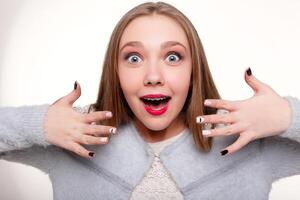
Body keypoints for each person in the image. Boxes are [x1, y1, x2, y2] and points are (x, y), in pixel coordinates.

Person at [0, 2, 300, 199]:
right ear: (114, 70)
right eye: (133, 57)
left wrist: (288, 116)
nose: (153, 75)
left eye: (173, 57)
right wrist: (39, 124)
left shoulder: (249, 139)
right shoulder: (75, 133)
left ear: (193, 68)